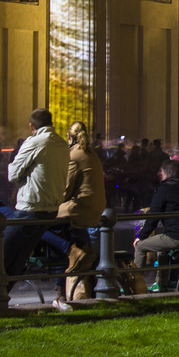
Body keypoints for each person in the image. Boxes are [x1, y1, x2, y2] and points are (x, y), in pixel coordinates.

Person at [0, 108, 68, 303]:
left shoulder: (35, 141)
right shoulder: (61, 143)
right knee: (19, 257)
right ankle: (0, 295)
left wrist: (24, 175)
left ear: (32, 126)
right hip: (51, 207)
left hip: (30, 206)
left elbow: (13, 174)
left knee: (3, 253)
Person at [56, 120, 107, 310]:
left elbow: (64, 190)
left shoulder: (73, 155)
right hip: (95, 208)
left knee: (40, 223)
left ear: (69, 137)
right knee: (83, 243)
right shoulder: (92, 154)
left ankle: (69, 250)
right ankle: (80, 252)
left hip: (79, 208)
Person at [133, 158, 179, 290]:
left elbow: (154, 216)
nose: (160, 175)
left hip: (175, 237)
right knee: (162, 250)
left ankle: (136, 283)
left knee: (140, 246)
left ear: (166, 173)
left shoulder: (163, 189)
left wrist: (141, 236)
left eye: (161, 172)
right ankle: (161, 284)